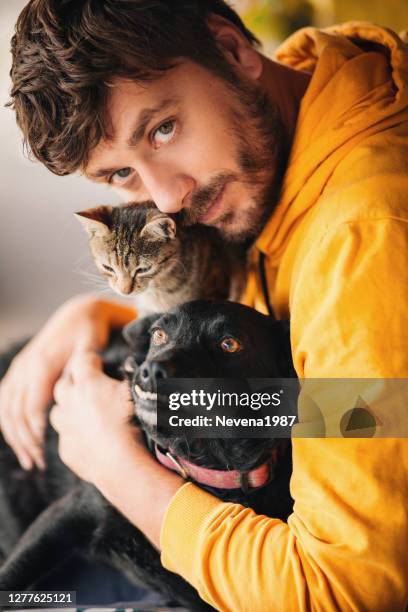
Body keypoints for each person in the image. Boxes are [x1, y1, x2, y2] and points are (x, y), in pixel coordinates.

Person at [1, 1, 408, 610]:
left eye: (163, 128)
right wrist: (91, 316)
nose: (165, 198)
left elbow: (343, 591)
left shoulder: (360, 244)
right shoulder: (301, 97)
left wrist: (113, 466)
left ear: (235, 49)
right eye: (119, 174)